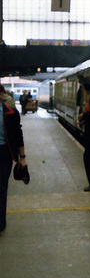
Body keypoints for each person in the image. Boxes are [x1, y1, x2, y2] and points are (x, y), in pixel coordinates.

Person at [1, 85, 26, 233]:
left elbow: (18, 134)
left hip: (4, 152)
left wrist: (22, 157)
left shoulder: (10, 113)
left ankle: (0, 222)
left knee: (2, 187)